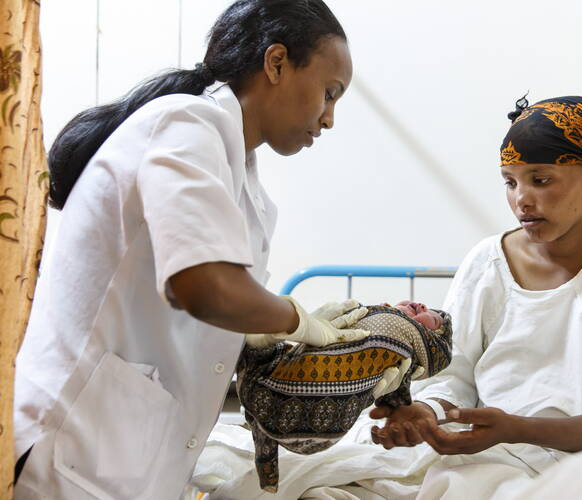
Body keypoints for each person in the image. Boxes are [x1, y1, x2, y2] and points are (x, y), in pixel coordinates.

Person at [187, 96, 582, 499]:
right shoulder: (488, 261)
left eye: (541, 178)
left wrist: (520, 427)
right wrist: (425, 413)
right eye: (510, 181)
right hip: (485, 452)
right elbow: (454, 375)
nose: (522, 200)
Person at [12, 2, 413, 499]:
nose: (328, 119)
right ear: (277, 63)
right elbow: (204, 285)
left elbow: (217, 315)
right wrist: (298, 321)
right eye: (329, 94)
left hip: (125, 452)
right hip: (72, 446)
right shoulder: (186, 124)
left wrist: (335, 360)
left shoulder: (236, 169)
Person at [237, 300, 452, 492]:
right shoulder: (361, 313)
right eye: (425, 306)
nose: (423, 306)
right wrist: (298, 325)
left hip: (317, 412)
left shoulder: (408, 350)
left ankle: (260, 367)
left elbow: (397, 400)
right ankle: (262, 368)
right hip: (278, 373)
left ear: (430, 345)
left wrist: (397, 413)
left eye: (433, 318)